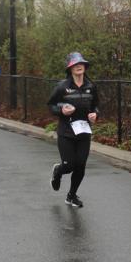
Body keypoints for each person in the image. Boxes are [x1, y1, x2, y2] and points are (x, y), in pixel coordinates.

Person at [47, 52, 100, 208]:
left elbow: (96, 106)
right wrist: (61, 111)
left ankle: (71, 196)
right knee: (69, 165)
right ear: (70, 68)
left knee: (81, 165)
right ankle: (58, 171)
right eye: (75, 64)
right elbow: (51, 105)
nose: (79, 66)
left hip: (84, 132)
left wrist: (95, 114)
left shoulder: (91, 86)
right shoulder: (62, 87)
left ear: (85, 67)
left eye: (81, 64)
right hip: (66, 132)